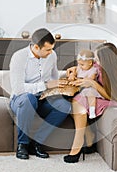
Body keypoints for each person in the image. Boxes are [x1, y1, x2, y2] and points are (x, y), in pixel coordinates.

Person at [63, 42, 117, 163]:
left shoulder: (116, 73)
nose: (95, 62)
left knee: (79, 102)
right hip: (101, 97)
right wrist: (74, 69)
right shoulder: (99, 66)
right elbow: (87, 66)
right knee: (77, 99)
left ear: (107, 61)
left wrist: (93, 84)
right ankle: (89, 138)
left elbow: (113, 96)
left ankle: (77, 146)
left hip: (115, 100)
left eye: (97, 59)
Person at [9, 28, 71, 160]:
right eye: (47, 50)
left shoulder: (52, 55)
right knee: (29, 99)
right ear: (36, 47)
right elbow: (19, 88)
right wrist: (46, 85)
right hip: (21, 100)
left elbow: (54, 78)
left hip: (44, 98)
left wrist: (67, 77)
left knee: (65, 105)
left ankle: (37, 143)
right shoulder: (19, 57)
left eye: (51, 49)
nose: (51, 52)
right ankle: (23, 144)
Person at [67, 49, 102, 119]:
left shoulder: (93, 70)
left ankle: (92, 111)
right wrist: (72, 75)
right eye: (79, 64)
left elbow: (89, 80)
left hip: (88, 87)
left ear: (90, 63)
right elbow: (74, 72)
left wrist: (79, 81)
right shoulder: (79, 68)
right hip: (79, 87)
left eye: (82, 64)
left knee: (90, 95)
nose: (80, 66)